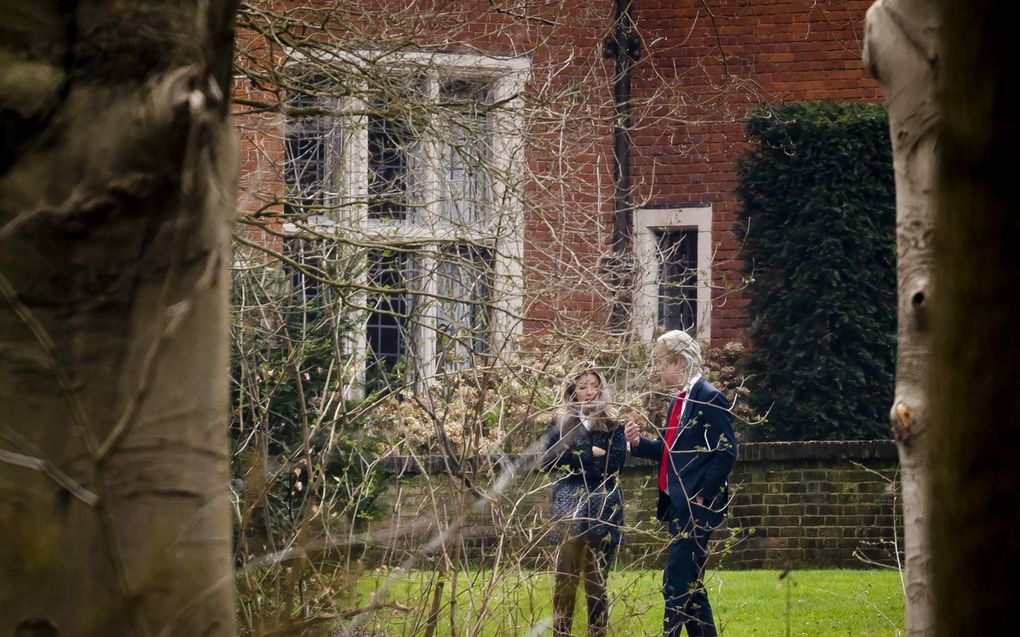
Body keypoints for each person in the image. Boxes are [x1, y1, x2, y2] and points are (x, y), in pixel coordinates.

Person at [624, 330, 737, 637]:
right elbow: (671, 450)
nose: (657, 369)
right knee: (691, 586)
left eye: (660, 362)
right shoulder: (679, 400)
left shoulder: (709, 397)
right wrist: (638, 443)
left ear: (676, 361)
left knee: (674, 582)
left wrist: (702, 495)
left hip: (695, 507)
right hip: (678, 505)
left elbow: (727, 451)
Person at [542, 364, 626, 637]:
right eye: (582, 386)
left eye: (594, 385)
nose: (589, 391)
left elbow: (614, 465)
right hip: (568, 508)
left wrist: (574, 458)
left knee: (596, 583)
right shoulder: (560, 423)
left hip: (602, 507)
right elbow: (549, 460)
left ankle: (597, 633)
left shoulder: (613, 424)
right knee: (565, 581)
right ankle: (561, 633)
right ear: (573, 391)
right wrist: (590, 452)